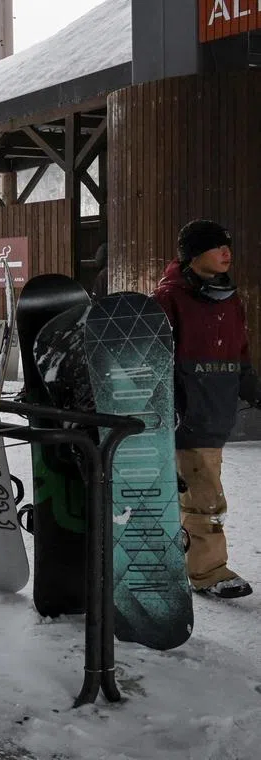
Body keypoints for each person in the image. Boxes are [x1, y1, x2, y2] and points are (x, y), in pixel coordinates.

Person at [152, 219, 258, 599]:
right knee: (204, 495)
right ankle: (209, 571)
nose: (227, 252)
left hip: (216, 414)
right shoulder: (169, 299)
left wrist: (250, 385)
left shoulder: (230, 300)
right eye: (217, 246)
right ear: (194, 255)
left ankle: (185, 559)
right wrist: (168, 405)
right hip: (187, 415)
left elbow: (240, 352)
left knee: (198, 491)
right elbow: (154, 358)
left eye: (228, 245)